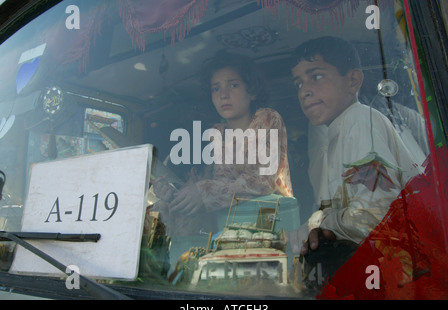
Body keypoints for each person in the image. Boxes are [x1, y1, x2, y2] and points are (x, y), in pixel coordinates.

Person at [290, 36, 422, 273]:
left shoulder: (360, 121)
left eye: (316, 77)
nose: (304, 92)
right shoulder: (335, 134)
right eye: (298, 84)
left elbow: (374, 215)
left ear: (353, 81)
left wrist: (318, 223)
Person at [153, 51, 293, 236]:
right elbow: (220, 186)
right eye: (216, 89)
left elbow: (262, 182)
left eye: (233, 85)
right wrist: (177, 195)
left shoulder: (267, 119)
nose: (223, 95)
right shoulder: (216, 134)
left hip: (271, 221)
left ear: (251, 91)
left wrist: (202, 191)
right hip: (229, 228)